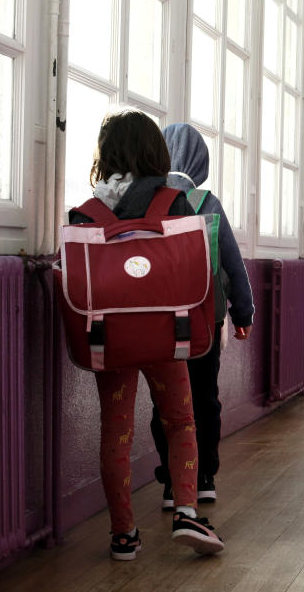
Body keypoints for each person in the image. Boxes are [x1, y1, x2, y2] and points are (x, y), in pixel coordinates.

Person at [70, 108, 224, 560]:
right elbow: (198, 269)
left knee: (115, 430)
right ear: (157, 152)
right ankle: (187, 512)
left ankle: (123, 535)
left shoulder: (86, 213)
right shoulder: (174, 204)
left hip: (109, 337)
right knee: (179, 421)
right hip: (166, 332)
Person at [149, 123, 255, 510]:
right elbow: (233, 263)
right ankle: (204, 476)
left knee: (165, 403)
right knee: (204, 399)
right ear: (200, 161)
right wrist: (243, 313)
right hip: (204, 320)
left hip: (157, 322)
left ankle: (171, 481)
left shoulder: (149, 201)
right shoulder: (207, 202)